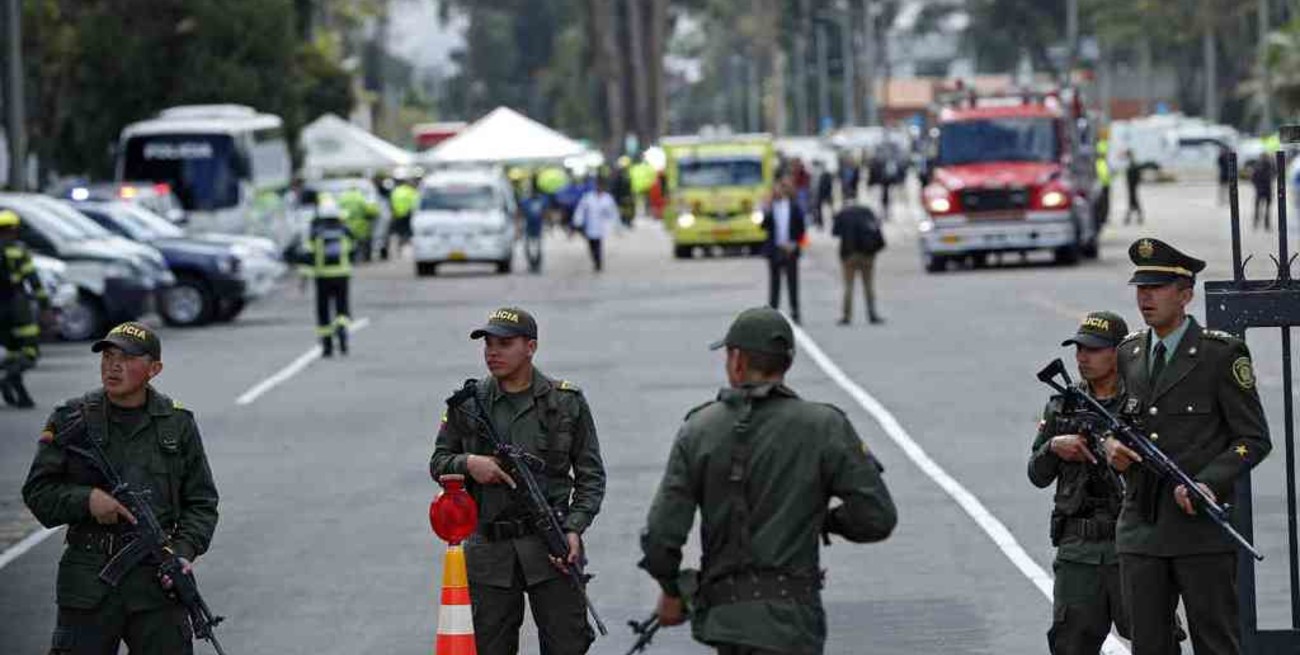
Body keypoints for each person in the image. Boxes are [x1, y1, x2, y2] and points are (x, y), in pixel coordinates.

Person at [639, 306, 897, 655]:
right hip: (796, 623)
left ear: (737, 360)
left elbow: (660, 536)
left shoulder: (700, 429)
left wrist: (672, 589)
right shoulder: (825, 426)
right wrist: (821, 518)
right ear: (786, 362)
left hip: (727, 622)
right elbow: (876, 517)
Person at [1103, 238, 1272, 655]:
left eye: (1157, 288)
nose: (1145, 297)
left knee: (1215, 644)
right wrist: (1111, 445)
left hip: (1199, 533)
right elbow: (1122, 421)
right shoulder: (1130, 353)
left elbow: (1253, 439)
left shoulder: (1220, 354)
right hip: (1141, 530)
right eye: (1141, 288)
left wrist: (1209, 482)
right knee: (1150, 646)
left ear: (1185, 294)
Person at [22, 321, 220, 655]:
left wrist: (183, 554)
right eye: (108, 356)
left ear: (154, 369)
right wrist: (87, 500)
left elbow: (201, 502)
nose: (113, 366)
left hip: (157, 583)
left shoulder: (177, 423)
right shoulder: (71, 418)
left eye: (127, 358)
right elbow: (38, 492)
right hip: (89, 581)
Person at [430, 307, 606, 655]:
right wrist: (469, 463)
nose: (492, 352)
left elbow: (591, 476)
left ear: (531, 347)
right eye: (488, 344)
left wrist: (574, 527)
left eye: (504, 343)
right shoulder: (468, 404)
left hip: (551, 548)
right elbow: (438, 461)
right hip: (490, 553)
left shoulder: (566, 401)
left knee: (566, 644)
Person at [1029, 311, 1131, 654]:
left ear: (1117, 352)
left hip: (1133, 545)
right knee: (1071, 643)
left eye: (1093, 349)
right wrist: (1054, 447)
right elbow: (1036, 475)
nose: (1082, 357)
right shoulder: (1062, 406)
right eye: (1079, 349)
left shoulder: (1140, 404)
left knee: (1155, 640)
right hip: (1078, 550)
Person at [0, 209, 50, 408]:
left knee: (11, 349)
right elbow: (34, 281)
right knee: (30, 350)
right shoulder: (19, 252)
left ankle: (19, 393)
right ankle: (8, 378)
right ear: (13, 229)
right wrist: (45, 306)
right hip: (17, 307)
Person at [301, 197, 354, 357]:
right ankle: (342, 329)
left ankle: (327, 346)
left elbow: (308, 256)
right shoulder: (345, 230)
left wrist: (303, 278)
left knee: (323, 311)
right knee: (342, 307)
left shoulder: (316, 232)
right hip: (342, 275)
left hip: (322, 277)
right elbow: (353, 250)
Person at [831, 203, 885, 325]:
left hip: (849, 254)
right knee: (869, 285)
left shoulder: (843, 213)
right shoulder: (867, 211)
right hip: (867, 254)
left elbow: (835, 232)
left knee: (848, 286)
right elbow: (876, 229)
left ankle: (847, 315)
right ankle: (872, 313)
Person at [761, 178, 807, 324]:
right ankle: (773, 313)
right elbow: (763, 226)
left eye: (782, 188)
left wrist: (796, 244)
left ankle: (795, 312)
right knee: (774, 284)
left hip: (790, 249)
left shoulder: (794, 207)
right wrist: (766, 208)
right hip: (775, 249)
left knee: (793, 283)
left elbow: (802, 229)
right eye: (776, 189)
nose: (778, 192)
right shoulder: (771, 208)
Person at [573, 177, 619, 273]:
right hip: (590, 225)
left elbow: (613, 212)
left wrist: (615, 224)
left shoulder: (608, 198)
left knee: (598, 244)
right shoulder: (588, 197)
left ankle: (598, 263)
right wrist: (578, 221)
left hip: (602, 225)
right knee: (591, 245)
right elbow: (580, 210)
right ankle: (595, 260)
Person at [519, 184, 548, 274]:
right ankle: (531, 264)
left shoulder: (542, 201)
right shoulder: (525, 201)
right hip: (528, 227)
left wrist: (548, 224)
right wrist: (518, 227)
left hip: (538, 227)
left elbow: (546, 212)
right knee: (527, 247)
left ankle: (537, 264)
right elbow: (520, 213)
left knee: (538, 247)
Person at [389, 179, 420, 255]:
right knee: (408, 232)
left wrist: (394, 211)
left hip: (397, 214)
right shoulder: (411, 191)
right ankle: (406, 246)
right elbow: (416, 202)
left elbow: (391, 202)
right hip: (408, 214)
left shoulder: (396, 190)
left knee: (400, 232)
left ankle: (400, 246)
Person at [1251, 153, 1274, 232]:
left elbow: (1253, 178)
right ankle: (1262, 223)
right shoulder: (1268, 166)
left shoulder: (1261, 166)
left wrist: (1256, 186)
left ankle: (1260, 222)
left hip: (1263, 189)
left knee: (1261, 207)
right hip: (1265, 189)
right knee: (1264, 208)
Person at [1124, 151, 1146, 225]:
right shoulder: (1131, 163)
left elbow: (1136, 176)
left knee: (1133, 202)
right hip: (1131, 186)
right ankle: (1132, 218)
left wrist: (1135, 183)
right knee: (1133, 202)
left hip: (1132, 186)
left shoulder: (1133, 164)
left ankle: (1129, 218)